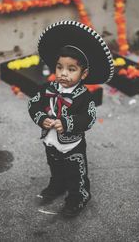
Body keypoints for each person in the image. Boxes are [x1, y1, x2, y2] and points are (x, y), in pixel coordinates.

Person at [28, 20, 114, 217]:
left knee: (76, 173)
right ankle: (57, 184)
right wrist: (41, 118)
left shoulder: (84, 96)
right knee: (55, 165)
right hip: (50, 140)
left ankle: (78, 197)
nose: (63, 73)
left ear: (83, 74)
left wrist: (67, 123)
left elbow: (89, 117)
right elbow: (33, 104)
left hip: (72, 144)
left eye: (71, 69)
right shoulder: (48, 89)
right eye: (59, 67)